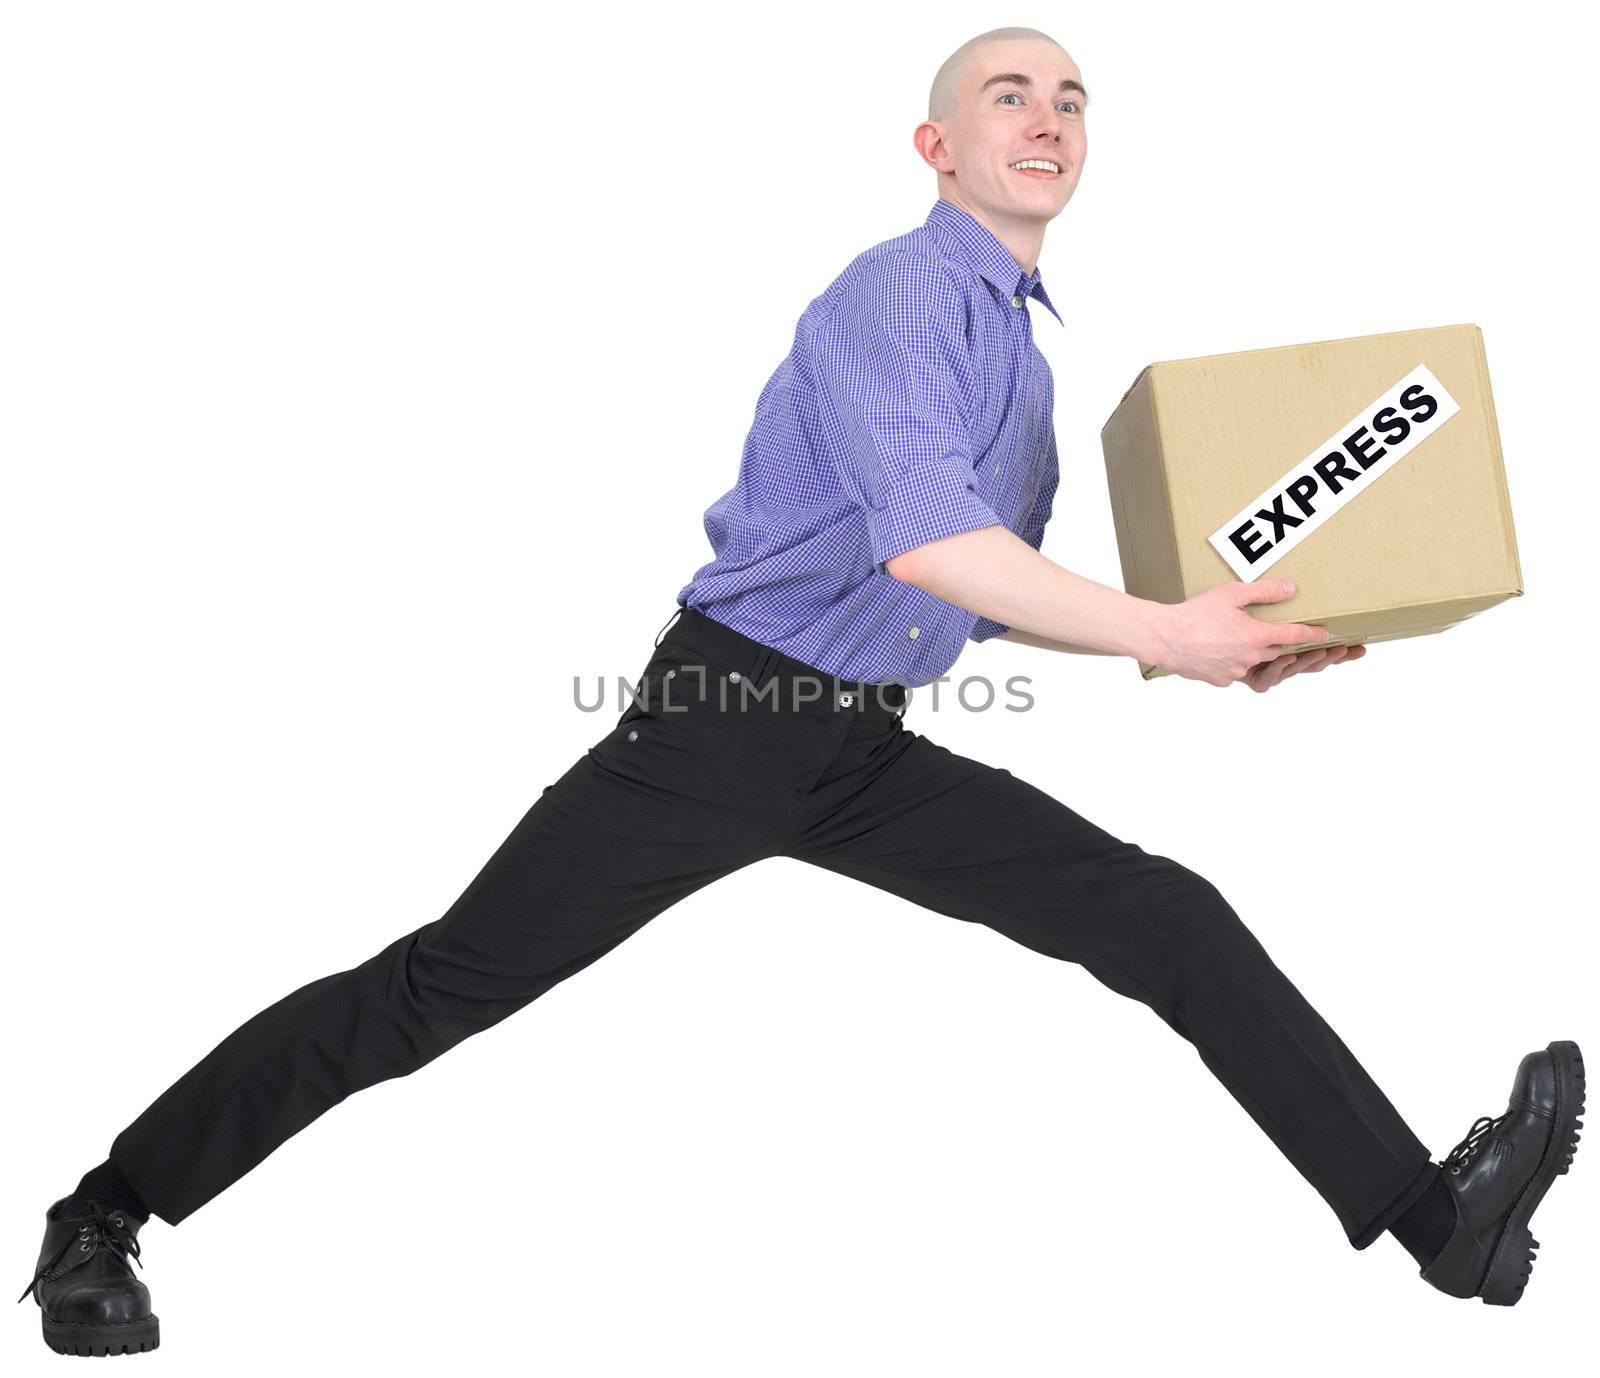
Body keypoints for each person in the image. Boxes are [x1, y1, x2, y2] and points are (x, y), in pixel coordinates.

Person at [18, 24, 1584, 1357]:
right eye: (1007, 97)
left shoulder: (1024, 366)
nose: (1046, 119)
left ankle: (1441, 1225)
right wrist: (1159, 634)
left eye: (1071, 99)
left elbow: (974, 588)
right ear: (937, 143)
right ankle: (106, 1210)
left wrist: (1193, 633)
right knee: (437, 991)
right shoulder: (900, 296)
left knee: (1162, 920)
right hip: (723, 722)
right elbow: (929, 549)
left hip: (857, 748)